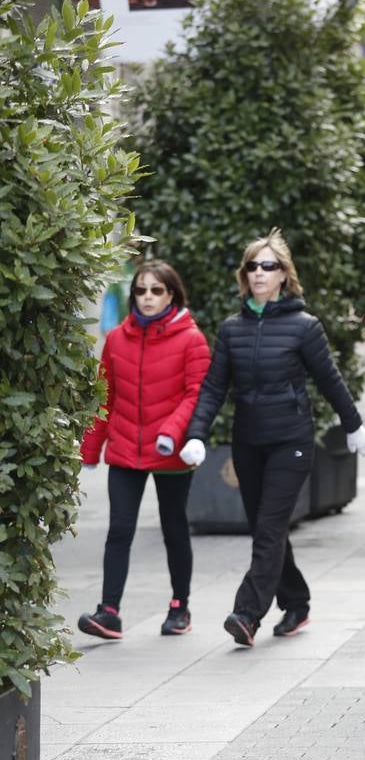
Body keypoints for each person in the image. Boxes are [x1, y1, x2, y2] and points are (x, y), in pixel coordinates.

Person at [181, 230, 365, 647]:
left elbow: (329, 380)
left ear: (285, 275)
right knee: (269, 529)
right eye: (253, 266)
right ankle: (297, 601)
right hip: (249, 442)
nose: (260, 273)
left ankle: (247, 613)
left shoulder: (304, 327)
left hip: (291, 440)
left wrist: (354, 425)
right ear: (244, 275)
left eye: (269, 266)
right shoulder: (231, 329)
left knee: (268, 527)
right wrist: (197, 434)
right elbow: (213, 387)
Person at [77, 261, 210, 640]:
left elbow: (195, 395)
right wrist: (90, 448)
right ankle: (109, 612)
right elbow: (106, 398)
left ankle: (179, 607)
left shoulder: (191, 339)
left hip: (170, 452)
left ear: (172, 295)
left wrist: (171, 432)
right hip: (125, 450)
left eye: (156, 290)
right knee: (119, 529)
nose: (147, 297)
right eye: (141, 290)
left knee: (174, 528)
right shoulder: (117, 339)